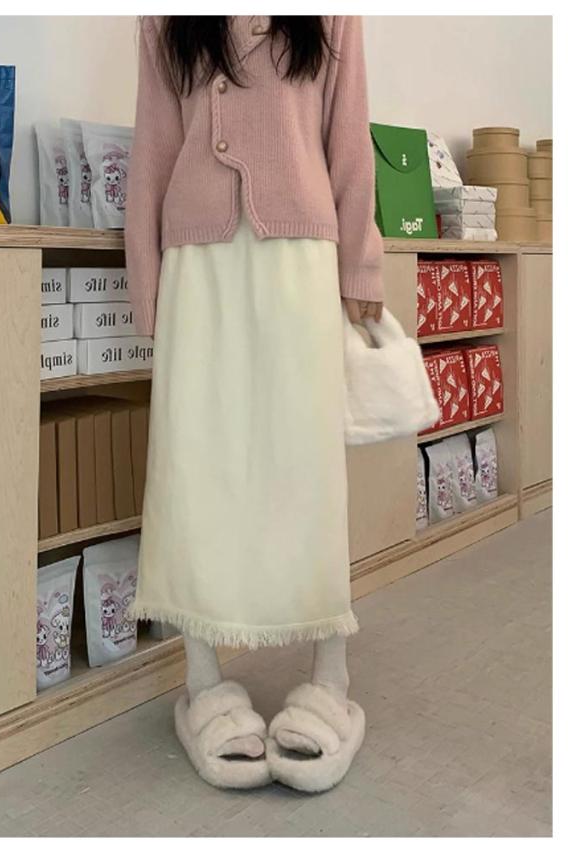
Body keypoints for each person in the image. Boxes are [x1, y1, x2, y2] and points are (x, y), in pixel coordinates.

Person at [124, 15, 384, 793]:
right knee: (193, 465)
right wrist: (147, 285)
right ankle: (203, 680)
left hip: (300, 255)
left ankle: (330, 678)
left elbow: (349, 136)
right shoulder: (164, 19)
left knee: (307, 466)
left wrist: (361, 266)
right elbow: (153, 150)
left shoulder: (332, 15)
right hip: (196, 260)